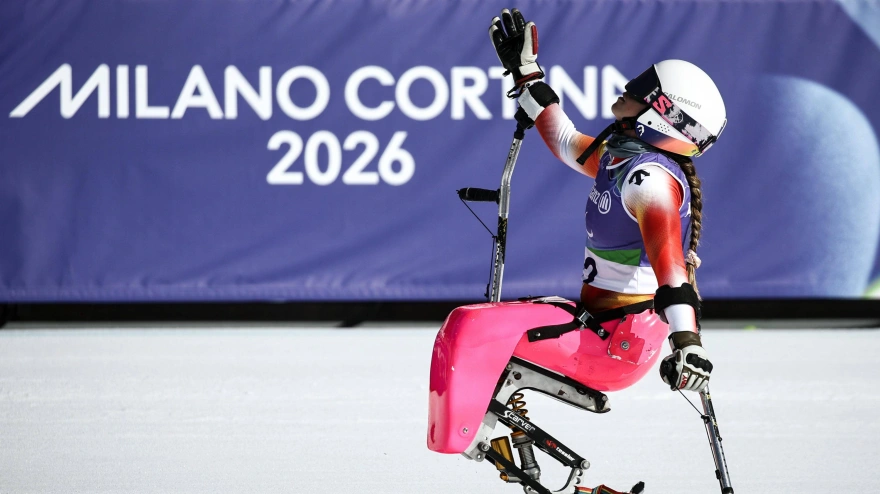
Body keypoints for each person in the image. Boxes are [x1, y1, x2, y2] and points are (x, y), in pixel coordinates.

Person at [490, 8, 726, 393]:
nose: (629, 88)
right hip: (600, 326)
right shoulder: (623, 159)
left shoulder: (647, 180)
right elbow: (566, 142)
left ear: (663, 116)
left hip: (616, 345)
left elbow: (672, 271)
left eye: (642, 91)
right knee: (484, 330)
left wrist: (687, 342)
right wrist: (527, 72)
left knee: (477, 332)